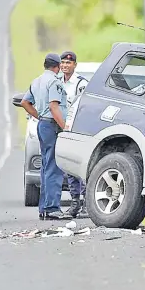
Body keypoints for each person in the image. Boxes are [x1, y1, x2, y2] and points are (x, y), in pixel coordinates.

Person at [21, 53, 71, 220]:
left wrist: (38, 116)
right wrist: (64, 127)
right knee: (54, 167)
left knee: (45, 165)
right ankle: (52, 208)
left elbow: (25, 102)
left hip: (43, 124)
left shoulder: (36, 81)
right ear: (56, 67)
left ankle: (44, 207)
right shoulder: (54, 82)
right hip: (53, 125)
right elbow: (54, 106)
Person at [57, 50, 89, 218]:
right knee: (68, 167)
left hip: (77, 129)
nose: (65, 65)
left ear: (75, 65)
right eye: (63, 62)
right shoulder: (56, 82)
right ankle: (74, 202)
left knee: (80, 165)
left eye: (68, 63)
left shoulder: (81, 84)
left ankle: (85, 202)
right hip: (62, 128)